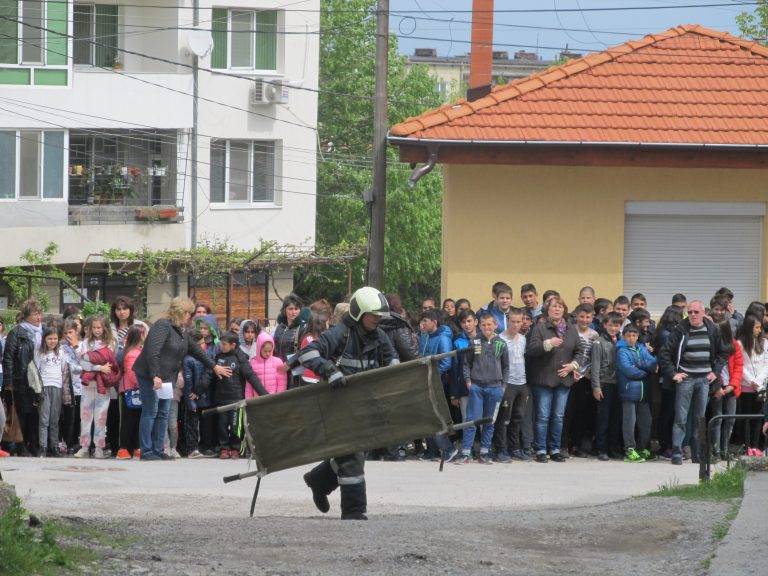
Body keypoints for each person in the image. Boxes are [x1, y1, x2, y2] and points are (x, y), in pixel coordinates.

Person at [300, 286, 398, 521]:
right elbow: (308, 354)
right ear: (359, 313)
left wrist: (392, 373)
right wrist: (330, 371)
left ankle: (318, 480)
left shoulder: (379, 335)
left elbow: (392, 357)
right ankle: (354, 511)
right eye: (373, 315)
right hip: (339, 407)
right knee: (353, 455)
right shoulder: (339, 334)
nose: (378, 319)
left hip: (364, 406)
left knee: (353, 452)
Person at [132, 297, 232, 461]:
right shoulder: (162, 325)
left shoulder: (181, 330)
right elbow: (152, 351)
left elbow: (196, 350)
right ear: (180, 312)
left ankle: (158, 449)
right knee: (151, 411)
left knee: (163, 413)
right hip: (149, 374)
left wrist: (214, 366)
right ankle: (146, 450)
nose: (190, 317)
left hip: (167, 377)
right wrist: (155, 375)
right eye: (188, 314)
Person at [659, 300, 728, 466]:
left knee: (700, 418)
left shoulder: (712, 329)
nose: (693, 315)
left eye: (696, 312)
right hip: (686, 379)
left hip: (704, 380)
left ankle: (698, 454)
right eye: (690, 312)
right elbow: (664, 353)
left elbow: (723, 353)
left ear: (703, 313)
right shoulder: (680, 329)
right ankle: (677, 452)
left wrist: (715, 372)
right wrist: (673, 373)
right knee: (681, 418)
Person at [526, 296, 586, 463]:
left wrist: (573, 366)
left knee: (558, 416)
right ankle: (540, 450)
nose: (557, 309)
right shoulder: (540, 328)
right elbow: (531, 349)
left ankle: (555, 449)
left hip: (563, 380)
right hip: (543, 380)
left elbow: (579, 351)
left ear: (564, 310)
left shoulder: (571, 329)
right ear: (548, 310)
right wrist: (548, 343)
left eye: (560, 306)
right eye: (554, 306)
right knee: (543, 417)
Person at [453, 314, 509, 465]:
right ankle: (466, 453)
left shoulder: (502, 343)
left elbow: (506, 367)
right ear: (479, 326)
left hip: (495, 388)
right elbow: (466, 364)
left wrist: (503, 386)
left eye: (489, 324)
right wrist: (468, 382)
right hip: (477, 387)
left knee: (489, 421)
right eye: (484, 325)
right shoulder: (474, 342)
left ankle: (484, 453)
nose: (486, 327)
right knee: (472, 420)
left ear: (495, 325)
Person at [208, 332, 268, 459]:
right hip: (221, 399)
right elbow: (209, 375)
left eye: (224, 344)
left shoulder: (241, 358)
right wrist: (198, 390)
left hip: (236, 400)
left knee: (236, 425)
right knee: (222, 425)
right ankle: (224, 448)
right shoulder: (218, 357)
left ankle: (235, 448)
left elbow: (251, 376)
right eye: (221, 343)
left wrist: (264, 394)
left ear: (233, 345)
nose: (221, 346)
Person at [2, 299, 43, 456]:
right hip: (20, 378)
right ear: (26, 315)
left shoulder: (41, 332)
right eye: (35, 314)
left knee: (34, 413)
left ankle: (32, 444)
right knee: (21, 413)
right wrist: (8, 383)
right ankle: (20, 445)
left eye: (40, 313)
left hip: (36, 379)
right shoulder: (16, 332)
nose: (38, 317)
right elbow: (8, 358)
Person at [76, 315, 119, 459]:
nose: (96, 330)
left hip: (103, 385)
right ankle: (84, 447)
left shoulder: (111, 343)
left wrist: (92, 361)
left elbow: (110, 362)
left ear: (105, 328)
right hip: (88, 385)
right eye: (94, 327)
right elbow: (83, 362)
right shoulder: (86, 342)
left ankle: (99, 448)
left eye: (99, 327)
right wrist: (99, 367)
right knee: (85, 416)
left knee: (101, 417)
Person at [617, 324, 658, 463]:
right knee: (629, 422)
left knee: (646, 421)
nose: (631, 338)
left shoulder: (642, 348)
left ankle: (642, 448)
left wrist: (640, 365)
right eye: (628, 335)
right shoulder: (622, 351)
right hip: (629, 391)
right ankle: (629, 449)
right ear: (624, 336)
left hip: (643, 392)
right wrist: (646, 371)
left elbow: (653, 363)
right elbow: (629, 370)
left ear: (638, 336)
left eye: (634, 335)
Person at [418, 309, 454, 461]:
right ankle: (432, 450)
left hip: (437, 382)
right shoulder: (425, 336)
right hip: (424, 381)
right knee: (426, 416)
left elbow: (446, 362)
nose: (422, 324)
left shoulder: (443, 338)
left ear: (434, 322)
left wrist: (431, 376)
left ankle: (448, 449)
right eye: (422, 321)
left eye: (425, 321)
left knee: (435, 416)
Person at [563, 304, 599, 457]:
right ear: (576, 316)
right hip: (571, 376)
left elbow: (594, 357)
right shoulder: (570, 331)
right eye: (582, 316)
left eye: (588, 317)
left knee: (581, 413)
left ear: (592, 317)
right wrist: (572, 370)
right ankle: (563, 445)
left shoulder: (594, 335)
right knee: (567, 412)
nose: (585, 320)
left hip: (586, 378)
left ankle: (576, 445)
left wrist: (590, 373)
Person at [497, 308, 530, 461]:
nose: (516, 325)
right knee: (504, 418)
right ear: (507, 321)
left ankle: (514, 448)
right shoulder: (500, 339)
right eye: (513, 321)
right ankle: (501, 449)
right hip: (507, 383)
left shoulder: (523, 339)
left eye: (519, 322)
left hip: (522, 383)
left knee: (518, 417)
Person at [653, 306, 685, 459]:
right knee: (668, 412)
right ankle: (666, 445)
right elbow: (669, 356)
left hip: (665, 377)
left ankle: (667, 444)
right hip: (669, 378)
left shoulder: (661, 332)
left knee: (668, 411)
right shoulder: (668, 335)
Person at [35, 326, 72, 457]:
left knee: (54, 420)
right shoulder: (40, 353)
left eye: (55, 338)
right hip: (44, 387)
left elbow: (64, 371)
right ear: (44, 339)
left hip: (57, 387)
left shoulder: (61, 352)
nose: (52, 341)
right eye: (50, 338)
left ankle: (54, 446)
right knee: (44, 419)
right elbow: (36, 371)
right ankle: (43, 447)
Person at [591, 312, 623, 461]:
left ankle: (613, 448)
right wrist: (596, 387)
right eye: (610, 325)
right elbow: (595, 367)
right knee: (603, 418)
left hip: (619, 384)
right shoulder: (599, 342)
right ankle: (601, 449)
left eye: (616, 325)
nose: (613, 328)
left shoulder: (622, 341)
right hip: (604, 384)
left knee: (616, 418)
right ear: (605, 325)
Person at [736, 314, 768, 457]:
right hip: (746, 387)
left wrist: (759, 381)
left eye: (760, 327)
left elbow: (766, 364)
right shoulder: (740, 344)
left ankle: (755, 446)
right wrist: (751, 381)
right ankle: (746, 446)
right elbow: (740, 366)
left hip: (760, 387)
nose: (759, 330)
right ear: (749, 328)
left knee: (758, 418)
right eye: (757, 327)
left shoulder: (764, 343)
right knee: (746, 418)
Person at [711, 320, 742, 460]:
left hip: (731, 387)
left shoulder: (735, 345)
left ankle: (725, 450)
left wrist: (732, 385)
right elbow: (711, 368)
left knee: (730, 419)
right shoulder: (713, 345)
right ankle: (716, 451)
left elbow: (739, 367)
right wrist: (717, 387)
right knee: (717, 419)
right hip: (717, 387)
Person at [116, 324, 146, 460]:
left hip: (132, 391)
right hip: (131, 391)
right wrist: (142, 385)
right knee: (129, 421)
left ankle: (134, 448)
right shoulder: (133, 353)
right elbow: (133, 374)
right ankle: (124, 449)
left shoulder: (134, 351)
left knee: (134, 420)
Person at [183, 330, 208, 459]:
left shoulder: (204, 357)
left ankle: (200, 447)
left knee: (201, 424)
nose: (204, 345)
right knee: (192, 424)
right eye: (201, 343)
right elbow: (188, 383)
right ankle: (191, 449)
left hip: (202, 397)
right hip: (192, 398)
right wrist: (190, 402)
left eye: (204, 342)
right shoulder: (188, 360)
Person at [248, 331, 288, 396]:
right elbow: (249, 385)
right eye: (265, 351)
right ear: (259, 348)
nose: (268, 354)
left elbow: (282, 383)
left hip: (273, 398)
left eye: (270, 351)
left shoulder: (278, 362)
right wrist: (249, 399)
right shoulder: (252, 362)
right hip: (257, 399)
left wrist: (279, 398)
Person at [273, 294, 308, 365]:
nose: (293, 312)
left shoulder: (303, 328)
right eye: (290, 309)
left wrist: (289, 364)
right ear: (284, 310)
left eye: (296, 309)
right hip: (278, 366)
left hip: (294, 368)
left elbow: (304, 351)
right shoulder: (279, 327)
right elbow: (274, 348)